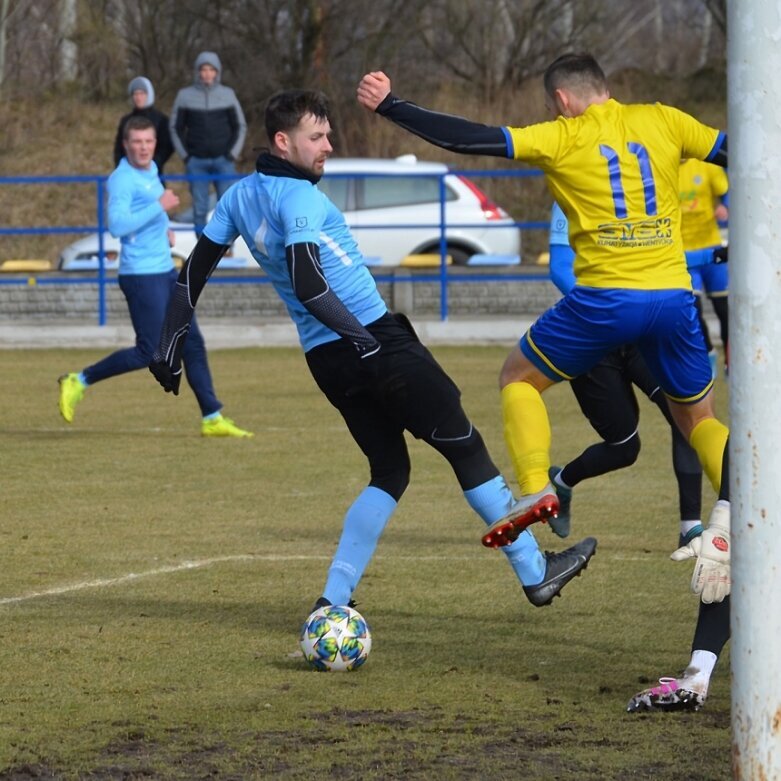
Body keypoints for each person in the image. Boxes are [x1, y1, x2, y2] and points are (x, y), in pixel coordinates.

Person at [149, 88, 598, 612]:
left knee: (390, 472)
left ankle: (332, 601)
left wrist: (168, 346)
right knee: (465, 445)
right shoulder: (300, 198)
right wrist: (366, 340)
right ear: (281, 140)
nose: (328, 146)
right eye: (316, 137)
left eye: (327, 135)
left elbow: (191, 276)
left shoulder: (238, 197)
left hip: (326, 361)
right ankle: (535, 570)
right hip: (371, 338)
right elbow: (309, 282)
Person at [357, 55, 731, 607]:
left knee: (518, 377)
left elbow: (471, 140)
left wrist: (392, 105)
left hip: (607, 299)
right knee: (698, 418)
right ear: (605, 87)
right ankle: (749, 506)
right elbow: (735, 149)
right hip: (675, 296)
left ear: (561, 99)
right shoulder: (666, 118)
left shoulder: (560, 136)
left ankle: (536, 488)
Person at [58, 116, 252, 439]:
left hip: (164, 269)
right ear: (126, 145)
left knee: (192, 342)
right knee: (148, 352)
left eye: (149, 141)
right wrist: (160, 206)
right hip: (140, 275)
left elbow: (147, 213)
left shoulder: (150, 172)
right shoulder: (121, 180)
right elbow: (117, 226)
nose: (144, 147)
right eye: (137, 142)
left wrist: (164, 228)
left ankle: (212, 416)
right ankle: (78, 381)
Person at [546, 201, 704, 546]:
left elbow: (666, 260)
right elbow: (559, 268)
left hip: (640, 333)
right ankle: (563, 483)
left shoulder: (643, 193)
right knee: (624, 448)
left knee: (685, 414)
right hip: (591, 337)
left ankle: (690, 527)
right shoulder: (570, 190)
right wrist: (609, 313)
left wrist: (715, 254)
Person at [169, 51, 247, 236]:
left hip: (224, 160)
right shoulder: (184, 96)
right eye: (203, 69)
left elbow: (240, 126)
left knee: (227, 206)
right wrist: (186, 156)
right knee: (200, 208)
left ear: (217, 72)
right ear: (197, 72)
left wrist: (232, 154)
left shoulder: (228, 94)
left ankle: (226, 248)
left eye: (211, 69)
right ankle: (202, 252)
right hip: (196, 162)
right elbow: (175, 127)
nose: (207, 74)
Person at [680, 158, 729, 375]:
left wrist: (723, 207)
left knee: (724, 310)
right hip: (685, 255)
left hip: (711, 250)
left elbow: (725, 192)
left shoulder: (706, 165)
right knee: (693, 310)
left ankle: (732, 363)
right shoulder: (663, 167)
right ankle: (708, 352)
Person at [113, 77, 174, 176]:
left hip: (153, 173)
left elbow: (166, 147)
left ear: (149, 95)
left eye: (142, 94)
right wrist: (121, 166)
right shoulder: (125, 120)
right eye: (135, 94)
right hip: (129, 172)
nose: (138, 97)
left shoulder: (161, 119)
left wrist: (154, 164)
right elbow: (119, 147)